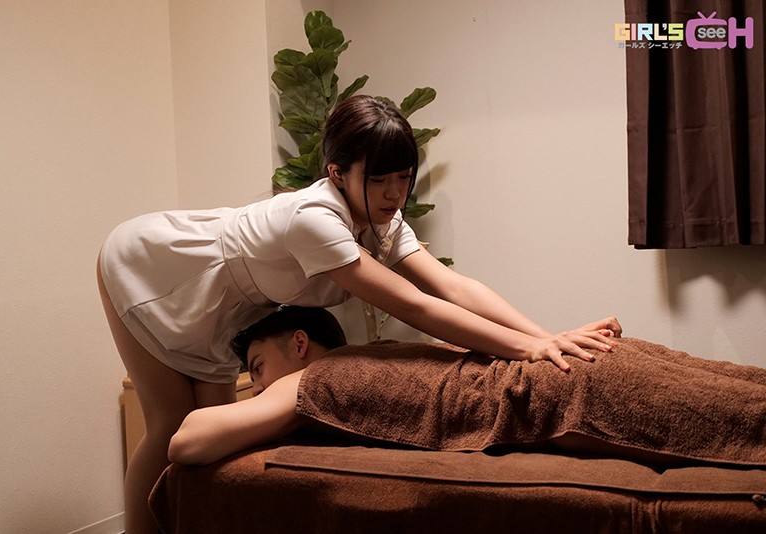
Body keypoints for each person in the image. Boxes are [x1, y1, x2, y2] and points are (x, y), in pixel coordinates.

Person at [97, 95, 621, 533]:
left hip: (225, 308)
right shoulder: (314, 220)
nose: (394, 193)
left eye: (403, 177)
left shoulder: (381, 219)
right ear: (337, 173)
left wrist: (548, 338)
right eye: (378, 179)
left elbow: (451, 285)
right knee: (168, 425)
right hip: (158, 269)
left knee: (213, 447)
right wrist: (530, 347)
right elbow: (415, 304)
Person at [169, 306, 766, 468]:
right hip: (582, 369)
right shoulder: (378, 352)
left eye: (256, 366)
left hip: (571, 391)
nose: (258, 385)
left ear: (299, 344)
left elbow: (186, 441)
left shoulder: (311, 380)